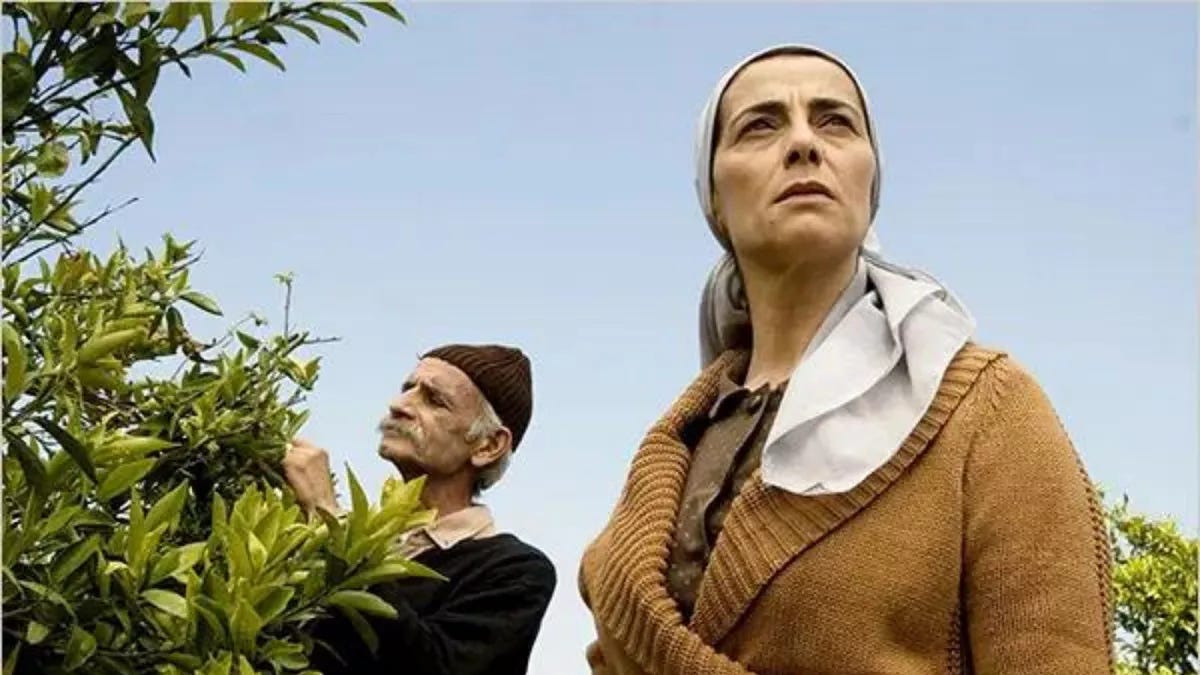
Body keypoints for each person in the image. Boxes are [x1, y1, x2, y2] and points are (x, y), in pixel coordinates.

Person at [578, 45, 1114, 674]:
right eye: (761, 125)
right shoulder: (683, 445)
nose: (804, 144)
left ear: (871, 182)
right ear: (714, 199)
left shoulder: (987, 409)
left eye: (835, 121)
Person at [284, 343, 556, 675]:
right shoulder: (372, 540)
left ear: (488, 445)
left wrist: (330, 519)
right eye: (407, 389)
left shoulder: (515, 571)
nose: (399, 405)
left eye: (433, 400)